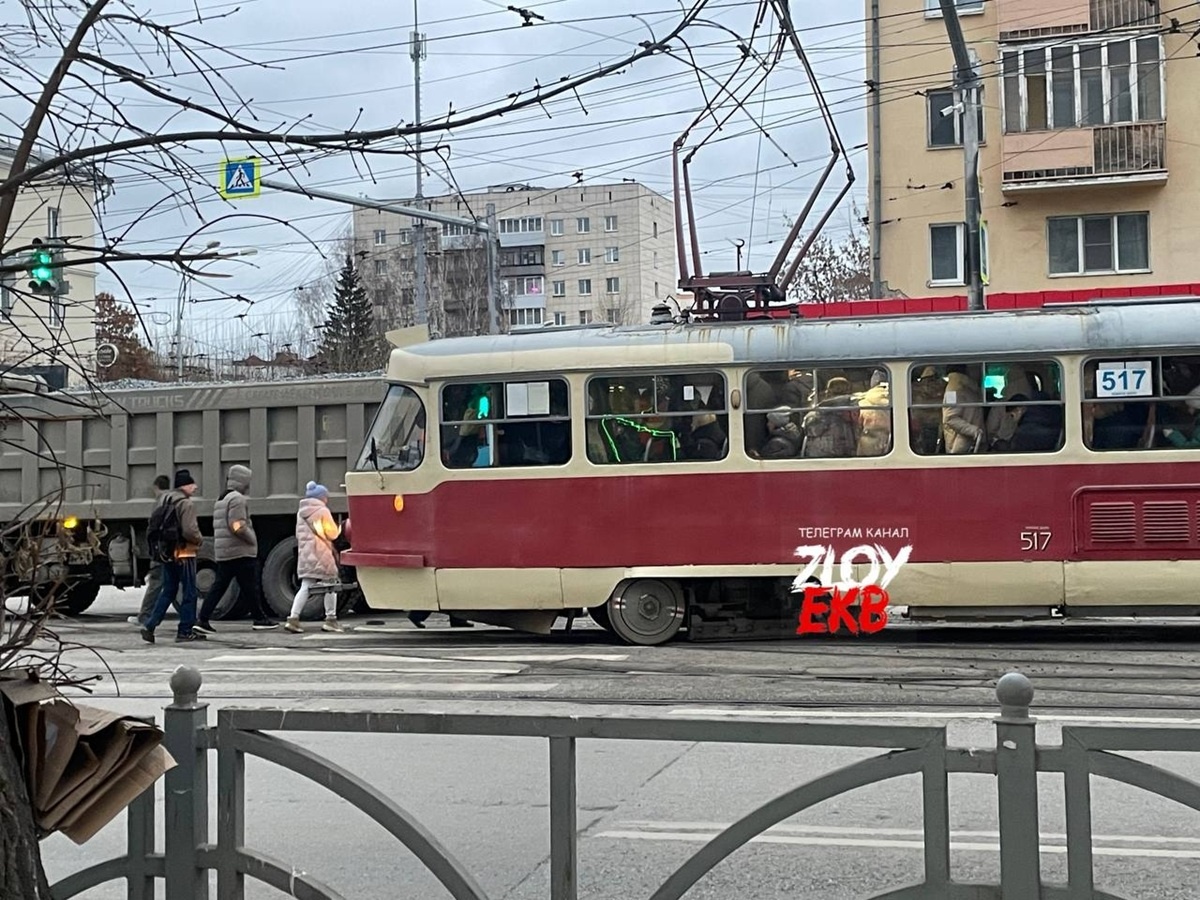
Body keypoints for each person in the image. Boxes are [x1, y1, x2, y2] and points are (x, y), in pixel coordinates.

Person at [195, 465, 278, 634]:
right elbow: (237, 526)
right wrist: (252, 538)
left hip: (226, 551)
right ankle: (259, 619)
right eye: (247, 482)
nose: (248, 485)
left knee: (226, 586)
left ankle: (203, 619)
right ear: (241, 481)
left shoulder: (222, 499)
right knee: (249, 586)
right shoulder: (237, 500)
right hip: (239, 551)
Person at [141, 469, 205, 643]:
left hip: (168, 553)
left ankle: (150, 625)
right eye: (192, 484)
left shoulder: (165, 499)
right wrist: (199, 540)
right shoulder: (186, 504)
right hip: (185, 553)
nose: (195, 487)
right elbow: (190, 530)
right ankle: (185, 630)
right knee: (190, 592)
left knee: (168, 591)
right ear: (185, 485)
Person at [284, 481, 346, 634]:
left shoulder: (301, 512)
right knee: (331, 585)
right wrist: (339, 528)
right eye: (326, 497)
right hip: (321, 553)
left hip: (305, 554)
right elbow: (332, 534)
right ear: (321, 497)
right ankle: (331, 620)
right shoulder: (322, 511)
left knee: (306, 586)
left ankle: (293, 618)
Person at [129, 475, 177, 627]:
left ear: (156, 487)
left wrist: (153, 549)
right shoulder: (176, 500)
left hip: (161, 549)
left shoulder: (161, 502)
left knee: (157, 582)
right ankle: (191, 619)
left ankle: (145, 616)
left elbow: (154, 528)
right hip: (173, 548)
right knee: (176, 584)